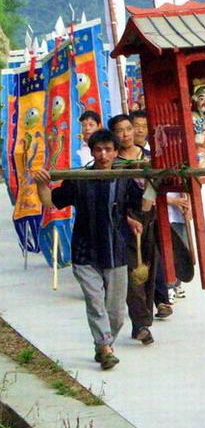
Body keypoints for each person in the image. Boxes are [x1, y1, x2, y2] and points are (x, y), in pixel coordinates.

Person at [33, 130, 144, 369]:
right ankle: (105, 348)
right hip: (85, 252)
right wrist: (42, 184)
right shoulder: (79, 178)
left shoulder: (126, 178)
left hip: (117, 251)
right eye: (98, 150)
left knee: (115, 311)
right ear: (92, 152)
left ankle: (103, 344)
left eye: (108, 150)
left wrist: (153, 184)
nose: (103, 155)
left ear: (116, 152)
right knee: (95, 302)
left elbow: (143, 204)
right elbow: (50, 201)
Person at [109, 114, 157, 345]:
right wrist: (127, 217)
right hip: (125, 221)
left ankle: (144, 320)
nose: (126, 134)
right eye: (120, 130)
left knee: (149, 269)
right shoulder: (112, 162)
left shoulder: (149, 156)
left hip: (151, 216)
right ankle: (141, 324)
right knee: (132, 271)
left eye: (129, 128)